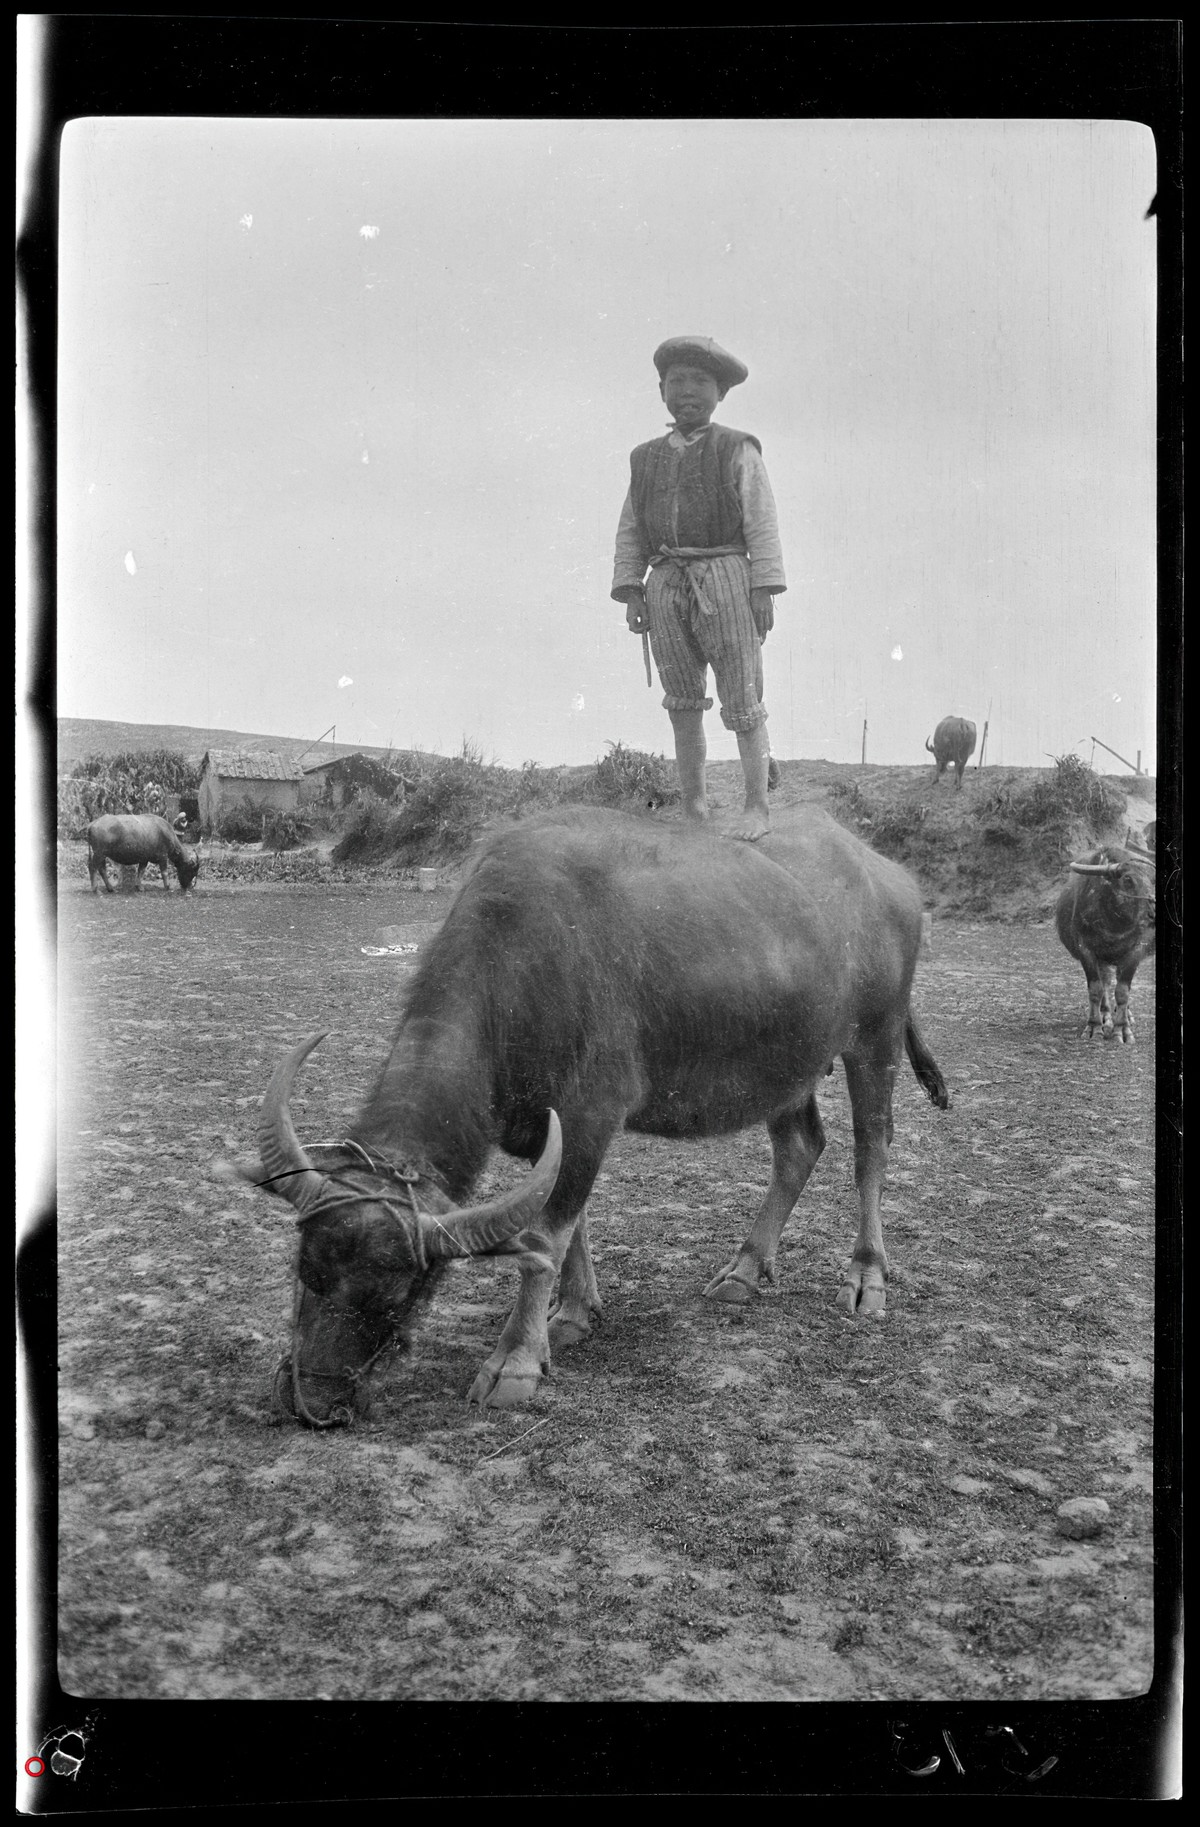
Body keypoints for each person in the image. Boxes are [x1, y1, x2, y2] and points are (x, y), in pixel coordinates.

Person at [611, 335, 786, 840]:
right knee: (682, 701)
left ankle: (757, 805)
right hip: (665, 584)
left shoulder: (738, 448)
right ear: (661, 390)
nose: (688, 392)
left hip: (728, 579)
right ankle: (695, 810)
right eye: (677, 382)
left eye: (701, 382)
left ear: (721, 393)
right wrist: (632, 590)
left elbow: (762, 520)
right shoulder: (643, 459)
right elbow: (631, 530)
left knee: (743, 696)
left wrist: (763, 588)